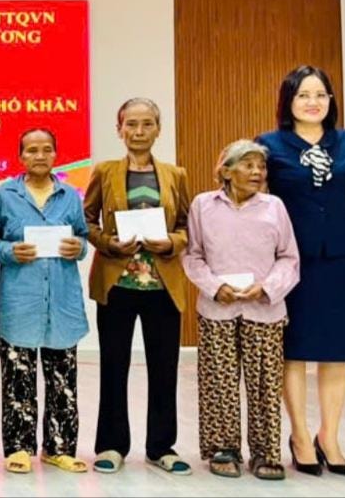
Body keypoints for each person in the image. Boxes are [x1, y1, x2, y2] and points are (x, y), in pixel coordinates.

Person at [255, 65, 345, 477]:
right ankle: (302, 437)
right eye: (303, 95)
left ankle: (330, 437)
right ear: (288, 101)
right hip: (291, 261)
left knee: (338, 351)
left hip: (341, 256)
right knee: (295, 350)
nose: (313, 102)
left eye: (320, 94)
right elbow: (259, 203)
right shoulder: (269, 145)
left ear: (330, 100)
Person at [84, 97, 192, 475]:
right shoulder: (105, 171)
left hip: (163, 285)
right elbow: (87, 221)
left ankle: (161, 446)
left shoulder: (175, 174)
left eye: (147, 124)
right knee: (114, 366)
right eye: (131, 124)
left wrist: (171, 243)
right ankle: (111, 445)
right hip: (117, 283)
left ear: (158, 129)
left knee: (164, 368)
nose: (139, 131)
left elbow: (186, 226)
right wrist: (108, 243)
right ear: (119, 129)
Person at [183, 139, 299, 480]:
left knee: (265, 384)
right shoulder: (203, 205)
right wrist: (214, 287)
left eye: (261, 166)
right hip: (217, 309)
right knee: (218, 382)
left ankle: (265, 452)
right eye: (248, 165)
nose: (257, 172)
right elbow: (192, 255)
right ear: (226, 170)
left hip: (264, 310)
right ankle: (224, 449)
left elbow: (289, 258)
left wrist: (267, 287)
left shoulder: (274, 206)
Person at [0, 128, 89, 475]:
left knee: (63, 381)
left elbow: (83, 237)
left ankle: (59, 449)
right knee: (18, 380)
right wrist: (9, 251)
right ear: (20, 157)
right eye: (32, 150)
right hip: (20, 303)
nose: (40, 155)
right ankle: (19, 448)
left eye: (46, 149)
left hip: (62, 303)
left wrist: (78, 247)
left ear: (56, 154)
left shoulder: (70, 196)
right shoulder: (4, 195)